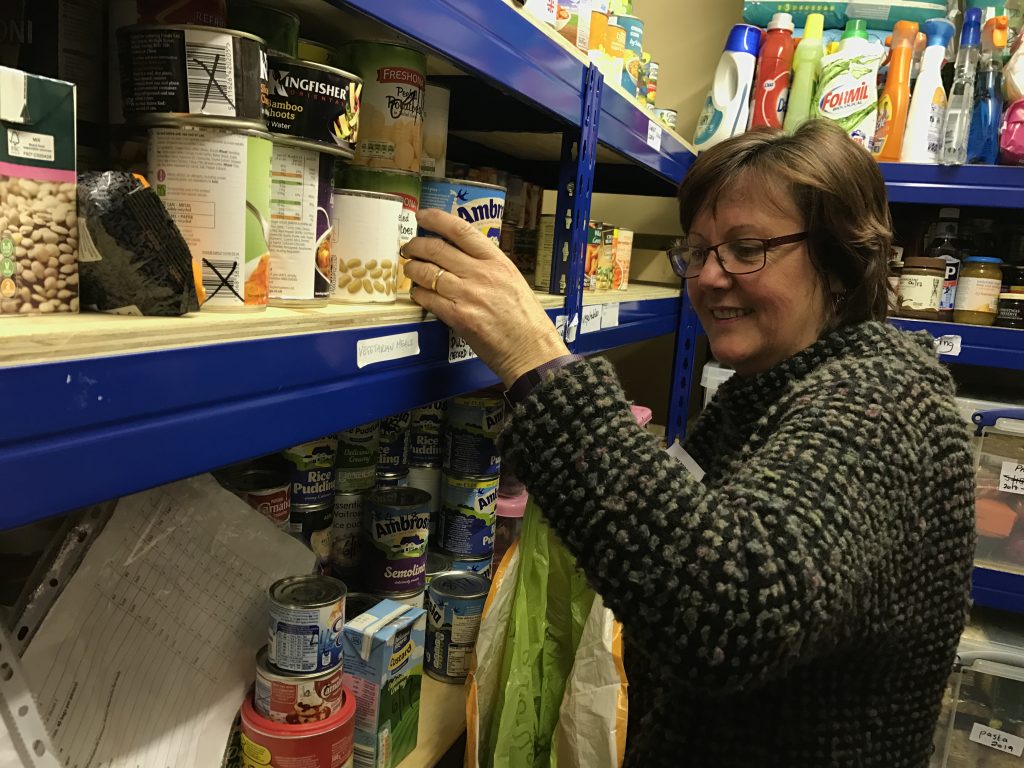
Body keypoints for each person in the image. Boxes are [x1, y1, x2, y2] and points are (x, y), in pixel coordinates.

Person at [402, 120, 975, 767]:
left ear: (841, 257)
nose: (709, 276)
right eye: (698, 252)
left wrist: (537, 361)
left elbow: (732, 613)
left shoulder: (885, 404)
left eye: (747, 248)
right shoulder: (767, 391)